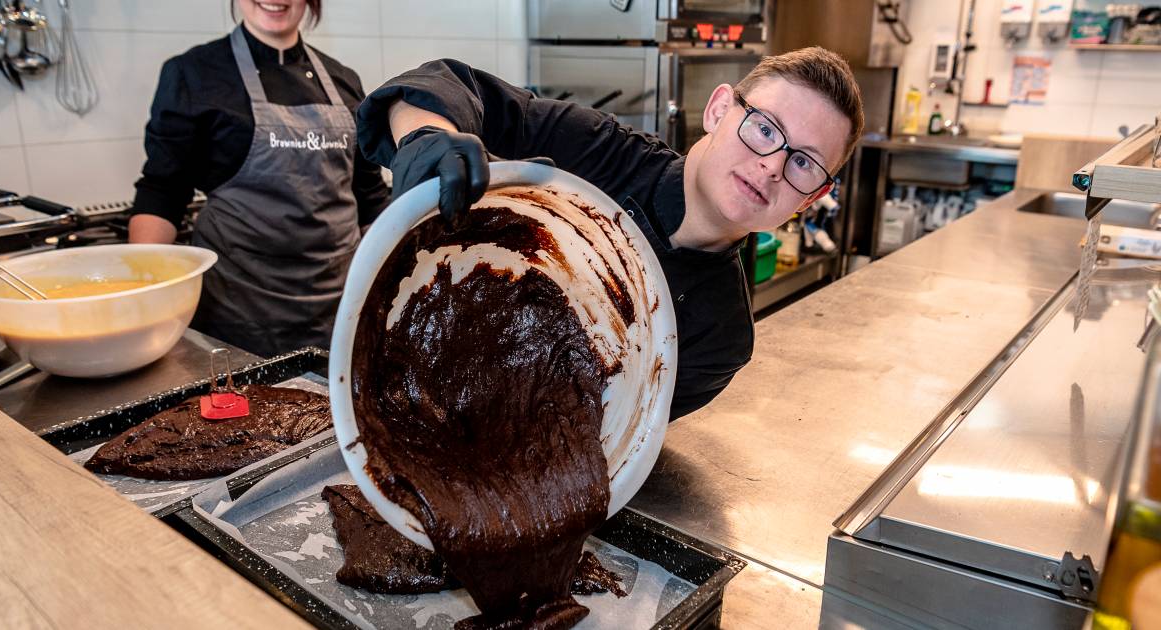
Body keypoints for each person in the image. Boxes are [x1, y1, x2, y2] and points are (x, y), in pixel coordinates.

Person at [354, 47, 864, 419]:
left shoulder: (717, 340)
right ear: (718, 110)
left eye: (803, 162)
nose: (772, 166)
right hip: (397, 385)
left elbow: (608, 447)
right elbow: (443, 82)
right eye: (765, 128)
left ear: (813, 197)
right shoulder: (597, 150)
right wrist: (427, 135)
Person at [129, 0, 390, 357]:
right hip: (238, 310)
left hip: (339, 305)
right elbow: (163, 191)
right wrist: (141, 295)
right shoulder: (194, 74)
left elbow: (370, 197)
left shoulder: (344, 80)